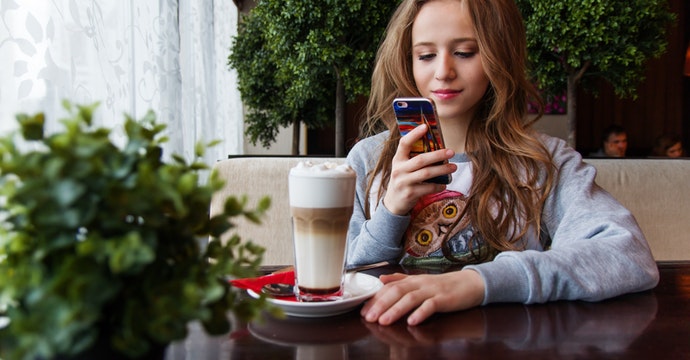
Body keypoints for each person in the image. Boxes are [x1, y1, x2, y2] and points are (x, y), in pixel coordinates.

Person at [345, 0, 658, 326]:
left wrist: (477, 282)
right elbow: (332, 278)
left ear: (500, 54)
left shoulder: (544, 162)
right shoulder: (368, 160)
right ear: (405, 61)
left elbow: (628, 254)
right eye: (425, 55)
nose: (443, 72)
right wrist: (390, 212)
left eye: (465, 52)